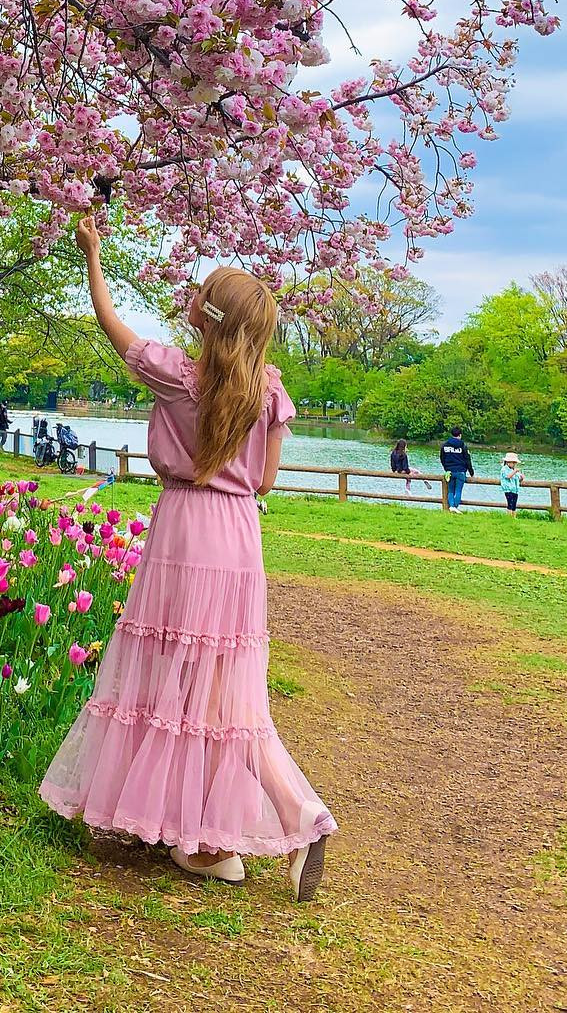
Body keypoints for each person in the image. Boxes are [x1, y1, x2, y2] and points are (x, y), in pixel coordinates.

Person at [41, 218, 334, 899]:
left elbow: (111, 322)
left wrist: (94, 256)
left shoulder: (179, 375)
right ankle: (211, 836)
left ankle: (222, 831)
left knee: (174, 677)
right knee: (223, 690)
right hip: (238, 539)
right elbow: (263, 483)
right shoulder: (268, 392)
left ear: (204, 315)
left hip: (184, 529)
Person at [439, 426, 477, 509]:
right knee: (458, 490)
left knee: (451, 491)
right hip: (460, 471)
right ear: (460, 435)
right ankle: (454, 507)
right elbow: (467, 460)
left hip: (449, 471)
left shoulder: (445, 445)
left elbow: (442, 458)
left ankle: (452, 506)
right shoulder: (463, 445)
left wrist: (446, 468)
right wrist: (471, 472)